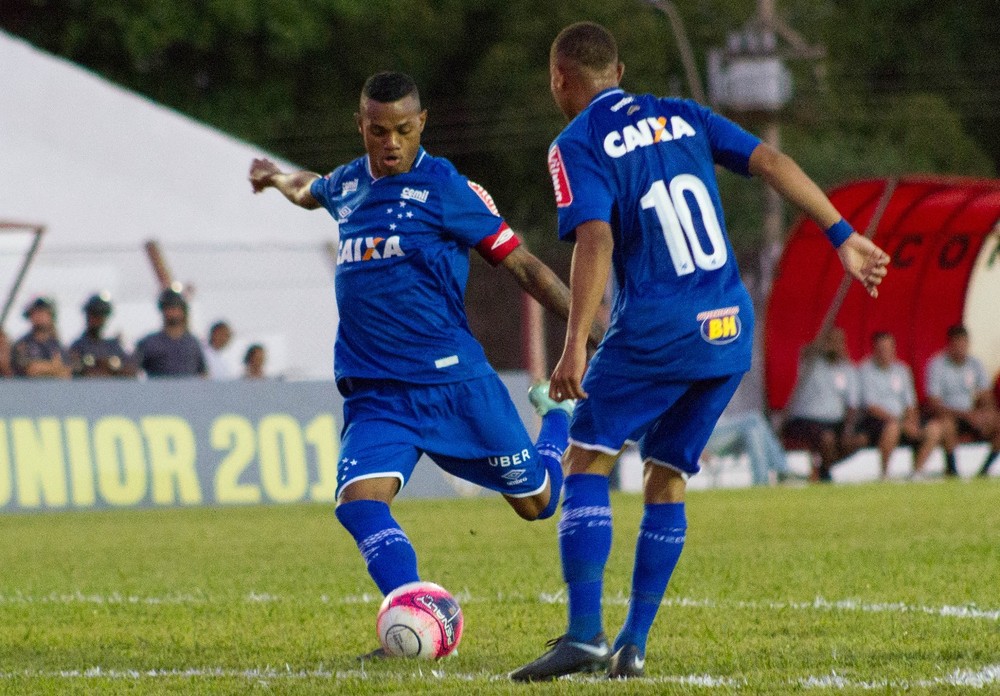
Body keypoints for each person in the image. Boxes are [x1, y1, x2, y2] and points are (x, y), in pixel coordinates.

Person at [510, 22, 889, 682]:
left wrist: (574, 345)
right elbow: (769, 161)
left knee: (587, 460)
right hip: (727, 326)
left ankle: (584, 634)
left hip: (658, 326)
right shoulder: (683, 115)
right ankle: (633, 643)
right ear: (620, 71)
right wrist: (842, 234)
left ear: (558, 81)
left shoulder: (575, 143)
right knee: (667, 475)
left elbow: (593, 240)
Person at [248, 71, 603, 657]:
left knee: (537, 502)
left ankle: (555, 416)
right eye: (378, 131)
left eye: (403, 131)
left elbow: (526, 269)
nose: (390, 143)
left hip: (454, 385)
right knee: (358, 504)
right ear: (360, 127)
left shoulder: (447, 190)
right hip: (377, 393)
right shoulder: (349, 185)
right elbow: (310, 187)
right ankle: (416, 616)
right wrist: (274, 178)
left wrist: (591, 332)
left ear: (422, 125)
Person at [856, 332, 948, 479]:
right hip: (877, 420)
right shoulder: (864, 370)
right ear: (874, 350)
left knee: (935, 428)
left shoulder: (902, 370)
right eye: (881, 349)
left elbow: (910, 403)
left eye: (888, 348)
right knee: (892, 428)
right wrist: (902, 423)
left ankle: (916, 473)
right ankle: (884, 474)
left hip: (903, 420)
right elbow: (871, 407)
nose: (885, 353)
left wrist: (912, 421)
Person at [781, 327, 866, 482]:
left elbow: (852, 405)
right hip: (808, 419)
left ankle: (821, 470)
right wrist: (821, 345)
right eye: (831, 341)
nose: (835, 345)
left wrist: (848, 428)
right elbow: (805, 351)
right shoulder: (812, 363)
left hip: (835, 421)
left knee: (859, 439)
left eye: (839, 342)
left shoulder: (848, 369)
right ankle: (825, 475)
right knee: (827, 439)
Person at [924, 324, 1000, 477]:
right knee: (946, 424)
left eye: (964, 344)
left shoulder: (975, 364)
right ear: (949, 345)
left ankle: (985, 470)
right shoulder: (937, 365)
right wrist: (967, 415)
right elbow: (934, 403)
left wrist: (985, 413)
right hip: (951, 415)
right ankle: (952, 469)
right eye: (957, 345)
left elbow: (986, 394)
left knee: (996, 420)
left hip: (972, 414)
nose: (961, 349)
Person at [703, 411, 793, 486]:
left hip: (722, 433)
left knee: (754, 428)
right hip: (707, 438)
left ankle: (765, 481)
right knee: (754, 420)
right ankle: (780, 471)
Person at [134, 288, 207, 378]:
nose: (173, 312)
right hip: (157, 391)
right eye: (168, 308)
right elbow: (132, 371)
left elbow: (203, 374)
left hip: (187, 391)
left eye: (176, 308)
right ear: (162, 310)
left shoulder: (193, 343)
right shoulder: (149, 342)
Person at [68, 293, 137, 378]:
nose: (96, 319)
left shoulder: (114, 346)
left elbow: (132, 371)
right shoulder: (78, 346)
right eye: (93, 314)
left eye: (101, 314)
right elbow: (70, 370)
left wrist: (111, 366)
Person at [10, 296, 72, 379]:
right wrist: (53, 367)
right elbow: (31, 370)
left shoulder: (57, 345)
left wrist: (44, 367)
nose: (39, 317)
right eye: (35, 313)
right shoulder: (23, 344)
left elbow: (67, 373)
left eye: (43, 312)